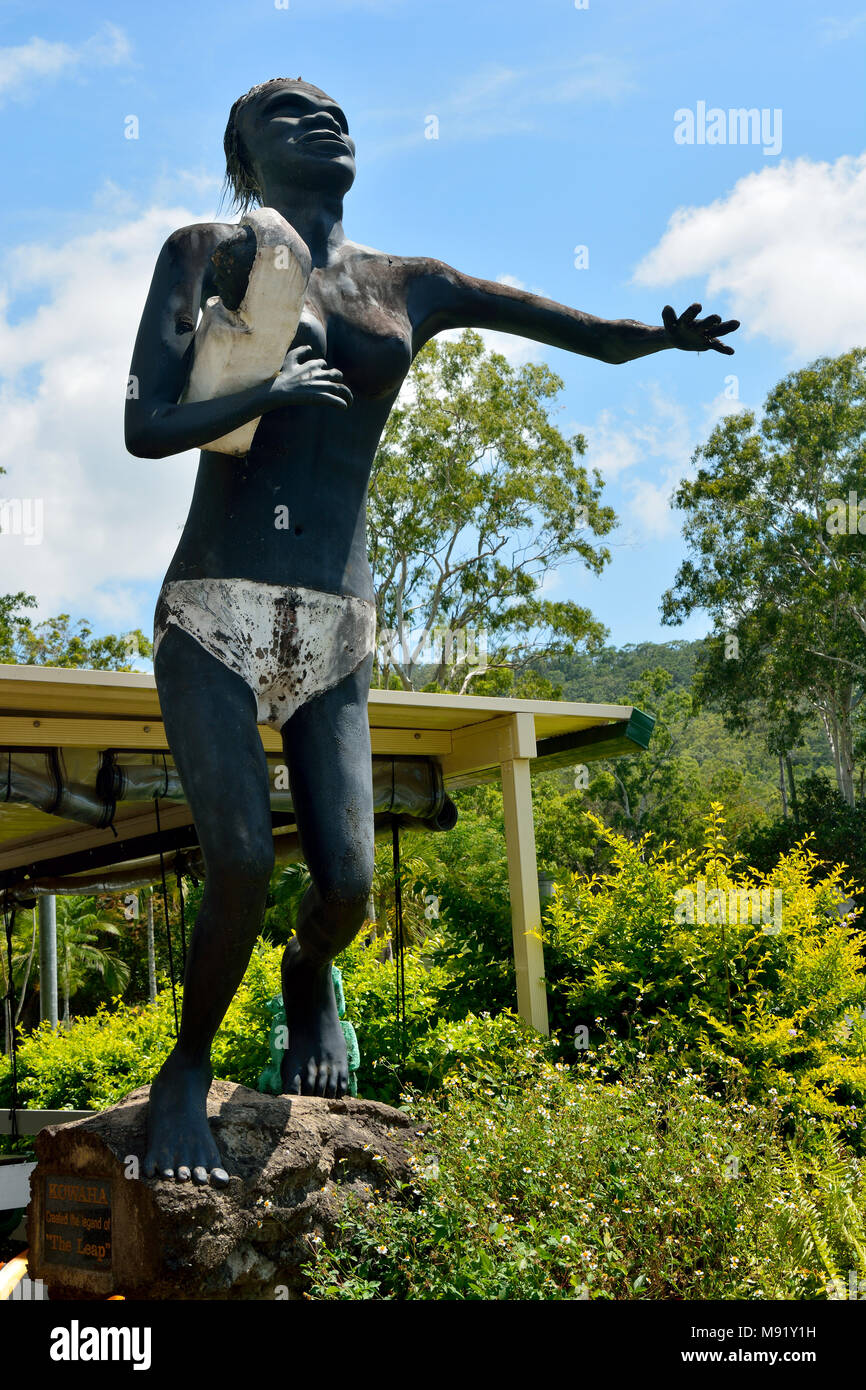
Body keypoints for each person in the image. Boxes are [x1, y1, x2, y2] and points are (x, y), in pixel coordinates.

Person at [125, 77, 739, 1185]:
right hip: (213, 605)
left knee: (349, 885)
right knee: (242, 860)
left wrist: (656, 337)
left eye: (333, 112)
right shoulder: (207, 251)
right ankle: (184, 1074)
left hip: (338, 622)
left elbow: (573, 333)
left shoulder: (407, 284)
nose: (323, 122)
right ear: (244, 156)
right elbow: (144, 425)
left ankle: (305, 973)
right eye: (287, 115)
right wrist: (262, 395)